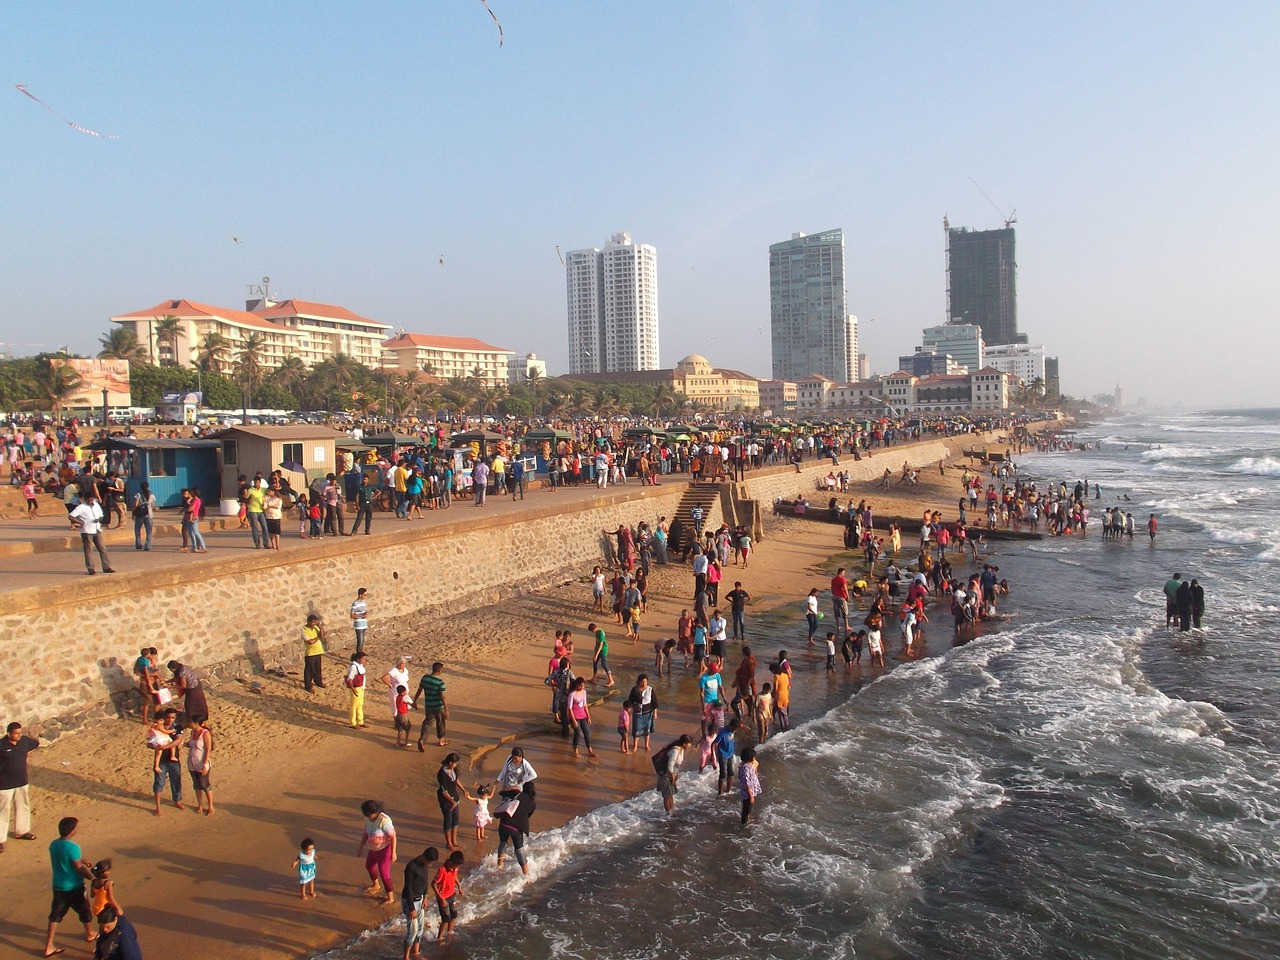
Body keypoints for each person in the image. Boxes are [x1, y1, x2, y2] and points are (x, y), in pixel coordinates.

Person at [44, 816, 96, 959]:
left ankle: (49, 945)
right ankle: (90, 933)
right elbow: (78, 868)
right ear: (72, 830)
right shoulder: (73, 847)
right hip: (74, 886)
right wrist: (92, 877)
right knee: (84, 909)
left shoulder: (53, 844)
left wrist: (82, 859)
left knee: (55, 915)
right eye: (76, 827)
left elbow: (64, 858)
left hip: (58, 886)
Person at [1, 721, 39, 853]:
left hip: (21, 781)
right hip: (4, 784)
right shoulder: (1, 746)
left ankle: (21, 831)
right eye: (16, 733)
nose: (18, 735)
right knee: (2, 811)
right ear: (9, 733)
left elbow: (35, 743)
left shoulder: (24, 742)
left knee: (23, 806)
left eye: (20, 733)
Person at [356, 799, 397, 904]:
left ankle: (390, 897)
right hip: (373, 848)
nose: (368, 817)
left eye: (369, 815)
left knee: (384, 874)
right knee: (369, 866)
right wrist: (360, 847)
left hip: (384, 849)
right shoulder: (368, 820)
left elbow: (393, 836)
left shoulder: (384, 821)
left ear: (374, 813)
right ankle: (376, 884)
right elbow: (365, 833)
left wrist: (393, 853)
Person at [401, 847, 438, 960]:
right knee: (413, 931)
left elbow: (425, 881)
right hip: (410, 901)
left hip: (420, 899)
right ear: (423, 857)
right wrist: (411, 908)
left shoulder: (425, 866)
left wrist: (426, 896)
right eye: (429, 862)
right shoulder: (411, 867)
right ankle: (406, 957)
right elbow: (408, 888)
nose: (430, 865)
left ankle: (416, 952)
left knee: (421, 927)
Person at [147, 708, 184, 815]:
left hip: (173, 760)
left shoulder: (177, 727)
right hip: (162, 760)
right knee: (159, 782)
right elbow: (149, 743)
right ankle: (158, 806)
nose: (170, 720)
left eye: (172, 718)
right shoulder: (158, 727)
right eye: (168, 717)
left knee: (176, 781)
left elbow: (178, 740)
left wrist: (164, 747)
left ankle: (177, 801)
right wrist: (155, 746)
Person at [70, 489, 114, 576]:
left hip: (97, 529)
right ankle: (91, 568)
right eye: (88, 500)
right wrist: (80, 522)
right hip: (87, 530)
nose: (90, 501)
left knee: (102, 549)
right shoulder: (81, 507)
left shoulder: (96, 505)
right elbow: (71, 516)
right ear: (85, 499)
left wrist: (99, 520)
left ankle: (106, 566)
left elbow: (101, 515)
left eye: (91, 499)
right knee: (88, 550)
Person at [495, 785, 536, 875]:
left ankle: (499, 866)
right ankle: (525, 873)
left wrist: (512, 788)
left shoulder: (516, 794)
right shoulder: (532, 804)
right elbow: (528, 816)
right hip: (516, 829)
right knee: (519, 850)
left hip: (504, 824)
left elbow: (501, 793)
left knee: (503, 844)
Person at [653, 734, 693, 816]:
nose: (690, 745)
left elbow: (677, 764)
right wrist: (673, 778)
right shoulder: (675, 751)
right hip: (665, 775)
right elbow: (670, 766)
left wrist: (677, 773)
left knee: (670, 794)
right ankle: (668, 813)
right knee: (667, 795)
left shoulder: (681, 750)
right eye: (689, 743)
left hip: (671, 775)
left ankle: (671, 811)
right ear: (684, 744)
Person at [414, 661, 449, 750]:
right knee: (440, 722)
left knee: (427, 723)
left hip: (428, 705)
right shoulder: (440, 682)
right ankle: (441, 740)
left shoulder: (425, 678)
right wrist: (446, 709)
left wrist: (415, 700)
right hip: (438, 706)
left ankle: (422, 740)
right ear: (439, 670)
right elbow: (442, 697)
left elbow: (419, 690)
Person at [185, 714, 214, 816]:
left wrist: (205, 764)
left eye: (191, 722)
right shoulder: (193, 732)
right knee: (196, 785)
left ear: (196, 723)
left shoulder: (205, 733)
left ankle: (210, 806)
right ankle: (200, 805)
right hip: (192, 761)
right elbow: (192, 744)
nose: (189, 723)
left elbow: (208, 749)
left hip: (201, 762)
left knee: (204, 784)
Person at [433, 850, 464, 940]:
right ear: (451, 861)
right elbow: (433, 884)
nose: (457, 867)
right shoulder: (442, 870)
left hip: (452, 894)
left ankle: (449, 932)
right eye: (456, 865)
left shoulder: (455, 868)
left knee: (454, 914)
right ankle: (440, 937)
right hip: (443, 897)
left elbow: (454, 876)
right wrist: (440, 898)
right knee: (446, 919)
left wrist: (459, 886)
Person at [566, 677, 598, 758]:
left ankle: (590, 750)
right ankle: (575, 750)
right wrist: (573, 721)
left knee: (587, 732)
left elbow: (585, 705)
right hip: (575, 717)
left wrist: (588, 716)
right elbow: (569, 708)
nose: (582, 687)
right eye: (580, 686)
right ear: (576, 685)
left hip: (582, 716)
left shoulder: (584, 692)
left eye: (583, 686)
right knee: (578, 733)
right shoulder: (572, 694)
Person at [436, 753, 462, 850]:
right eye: (455, 763)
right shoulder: (442, 774)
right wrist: (452, 802)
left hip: (454, 798)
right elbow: (444, 792)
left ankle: (454, 841)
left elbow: (456, 780)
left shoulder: (453, 770)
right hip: (446, 801)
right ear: (450, 762)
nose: (456, 765)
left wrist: (464, 790)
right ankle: (448, 843)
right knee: (448, 820)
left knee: (455, 819)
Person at [627, 675, 658, 753]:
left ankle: (646, 745)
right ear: (639, 682)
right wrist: (629, 712)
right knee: (636, 730)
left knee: (646, 730)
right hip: (637, 713)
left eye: (645, 682)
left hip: (648, 713)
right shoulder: (634, 690)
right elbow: (630, 701)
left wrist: (655, 713)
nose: (644, 684)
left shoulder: (650, 689)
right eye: (642, 682)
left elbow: (654, 702)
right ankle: (635, 746)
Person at [714, 718, 741, 795]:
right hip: (723, 755)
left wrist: (744, 727)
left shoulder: (733, 729)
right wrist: (714, 755)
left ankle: (728, 791)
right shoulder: (722, 732)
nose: (735, 730)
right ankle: (720, 792)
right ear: (730, 726)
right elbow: (714, 743)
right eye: (734, 729)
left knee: (731, 773)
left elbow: (740, 725)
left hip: (730, 754)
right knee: (723, 774)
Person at [738, 746, 762, 825]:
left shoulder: (747, 765)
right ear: (750, 758)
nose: (755, 759)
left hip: (750, 790)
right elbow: (747, 783)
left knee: (748, 806)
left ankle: (747, 816)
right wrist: (751, 796)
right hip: (748, 792)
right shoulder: (746, 768)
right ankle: (744, 823)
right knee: (747, 807)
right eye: (754, 757)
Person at [345, 652, 368, 728]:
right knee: (354, 705)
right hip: (356, 688)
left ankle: (360, 721)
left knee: (360, 704)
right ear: (358, 659)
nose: (364, 660)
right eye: (363, 659)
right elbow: (350, 679)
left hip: (360, 687)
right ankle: (353, 722)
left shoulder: (359, 666)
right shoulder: (354, 667)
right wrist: (353, 689)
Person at [131, 482, 154, 551]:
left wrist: (133, 513)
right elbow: (153, 505)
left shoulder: (138, 494)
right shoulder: (151, 495)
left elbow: (135, 504)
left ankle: (138, 544)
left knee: (137, 529)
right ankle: (148, 545)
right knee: (149, 531)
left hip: (140, 515)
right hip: (149, 515)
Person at [350, 588, 370, 656]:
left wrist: (365, 614)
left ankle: (360, 655)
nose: (365, 596)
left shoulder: (363, 603)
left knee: (362, 641)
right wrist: (362, 615)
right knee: (360, 641)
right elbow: (352, 615)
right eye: (364, 595)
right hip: (359, 625)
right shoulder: (355, 603)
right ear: (360, 595)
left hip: (364, 624)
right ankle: (358, 656)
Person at [831, 567, 851, 634]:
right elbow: (845, 589)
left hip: (835, 596)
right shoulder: (842, 579)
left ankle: (838, 626)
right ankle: (846, 626)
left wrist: (834, 594)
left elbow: (832, 588)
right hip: (841, 597)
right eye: (844, 573)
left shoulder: (834, 579)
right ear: (841, 572)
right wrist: (847, 596)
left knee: (836, 611)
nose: (844, 574)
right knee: (845, 611)